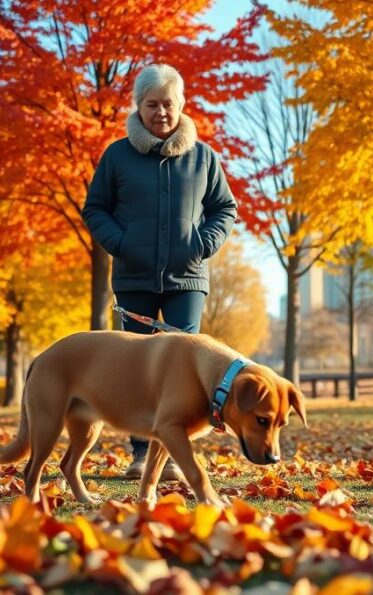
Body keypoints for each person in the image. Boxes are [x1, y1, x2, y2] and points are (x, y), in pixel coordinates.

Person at [82, 63, 238, 482]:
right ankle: (139, 456)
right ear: (139, 107)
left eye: (168, 104)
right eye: (152, 105)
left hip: (187, 280)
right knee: (136, 367)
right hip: (133, 277)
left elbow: (225, 208)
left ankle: (168, 457)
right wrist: (120, 243)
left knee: (183, 367)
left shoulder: (203, 157)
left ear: (181, 104)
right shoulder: (117, 155)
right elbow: (94, 208)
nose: (161, 113)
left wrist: (203, 244)